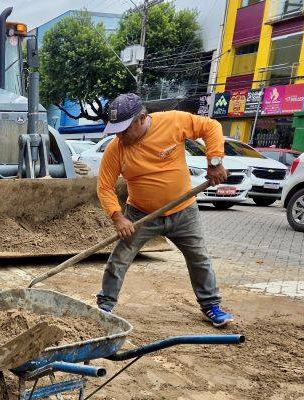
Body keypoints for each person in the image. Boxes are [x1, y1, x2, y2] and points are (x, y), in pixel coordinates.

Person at [96, 93, 234, 327]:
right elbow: (105, 187)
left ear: (141, 118)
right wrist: (118, 217)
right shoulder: (116, 148)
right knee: (119, 258)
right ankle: (105, 305)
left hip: (183, 211)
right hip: (141, 214)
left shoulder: (172, 121)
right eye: (116, 130)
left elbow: (210, 126)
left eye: (124, 129)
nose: (119, 135)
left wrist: (215, 161)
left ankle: (211, 305)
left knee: (199, 258)